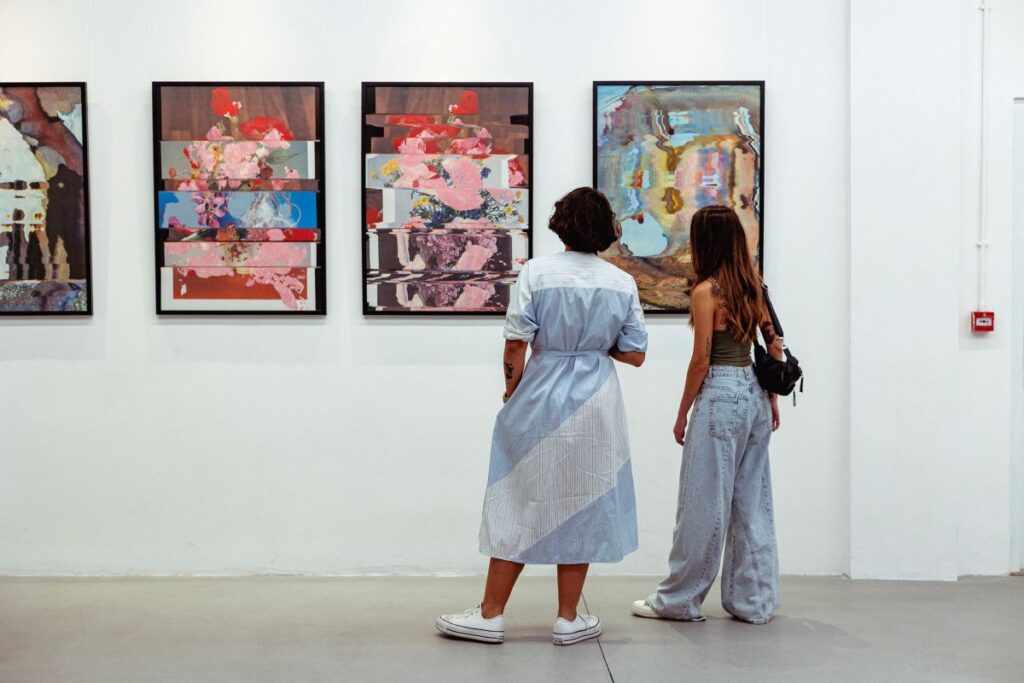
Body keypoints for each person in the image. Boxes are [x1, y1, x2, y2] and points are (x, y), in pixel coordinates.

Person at [436, 187, 648, 646]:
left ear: (562, 224)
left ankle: (491, 615)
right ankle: (568, 618)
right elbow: (635, 354)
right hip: (596, 400)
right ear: (606, 228)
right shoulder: (621, 282)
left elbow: (517, 342)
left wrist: (511, 389)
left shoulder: (537, 272)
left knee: (518, 495)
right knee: (584, 498)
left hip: (542, 390)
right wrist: (596, 346)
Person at [632, 205, 784, 625]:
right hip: (753, 393)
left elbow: (701, 360)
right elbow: (774, 346)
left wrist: (682, 414)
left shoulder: (707, 292)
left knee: (702, 503)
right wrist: (769, 399)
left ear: (705, 242)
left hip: (720, 394)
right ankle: (754, 602)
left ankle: (679, 600)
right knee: (751, 503)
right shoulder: (753, 286)